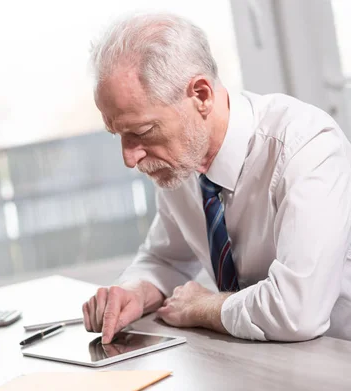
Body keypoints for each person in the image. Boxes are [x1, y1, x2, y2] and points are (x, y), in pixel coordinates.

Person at [82, 12, 351, 344]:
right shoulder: (181, 161)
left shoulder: (306, 147)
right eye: (117, 134)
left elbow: (298, 311)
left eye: (141, 131)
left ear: (201, 95)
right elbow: (166, 257)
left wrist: (205, 307)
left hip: (336, 359)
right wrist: (134, 291)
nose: (129, 157)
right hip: (254, 365)